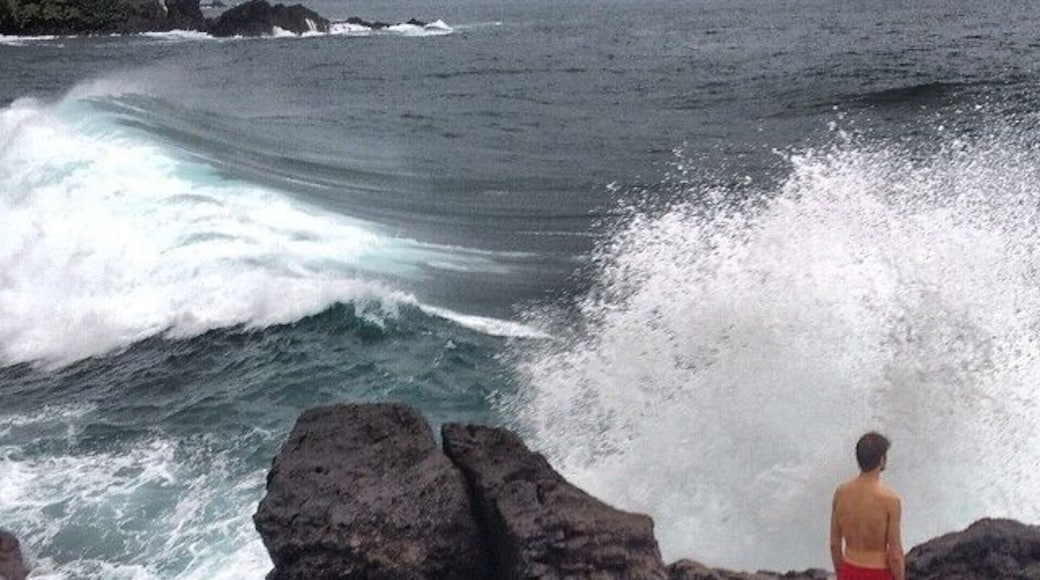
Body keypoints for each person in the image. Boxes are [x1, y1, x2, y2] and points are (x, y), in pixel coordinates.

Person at [829, 432, 905, 580]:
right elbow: (895, 554)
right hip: (878, 573)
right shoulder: (890, 500)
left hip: (849, 569)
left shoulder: (841, 493)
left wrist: (841, 574)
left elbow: (834, 544)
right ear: (882, 460)